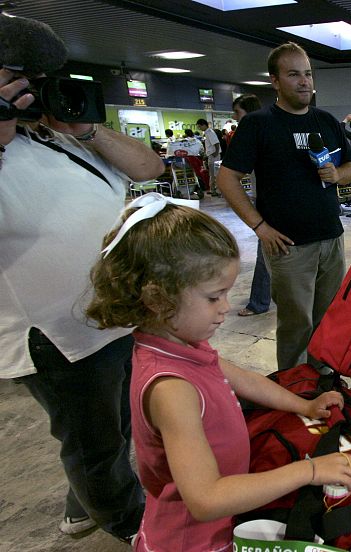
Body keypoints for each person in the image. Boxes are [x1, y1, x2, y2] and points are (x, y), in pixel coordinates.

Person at [85, 195, 351, 551]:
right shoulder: (172, 388)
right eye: (214, 297)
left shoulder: (182, 344)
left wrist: (303, 406)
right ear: (157, 299)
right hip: (195, 541)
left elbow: (240, 379)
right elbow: (206, 499)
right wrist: (310, 471)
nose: (226, 308)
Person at [0, 14, 165, 542]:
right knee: (93, 441)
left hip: (112, 316)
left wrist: (85, 128)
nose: (28, 97)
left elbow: (149, 168)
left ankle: (83, 505)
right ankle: (127, 522)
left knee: (114, 425)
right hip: (56, 337)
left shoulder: (57, 141)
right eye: (13, 82)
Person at [217, 42, 351, 371]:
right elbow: (227, 179)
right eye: (293, 74)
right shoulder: (259, 124)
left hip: (331, 238)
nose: (304, 81)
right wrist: (259, 227)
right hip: (289, 246)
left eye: (307, 74)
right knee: (297, 324)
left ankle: (323, 379)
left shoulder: (327, 121)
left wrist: (337, 174)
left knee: (328, 320)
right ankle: (295, 385)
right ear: (275, 81)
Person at [229, 94, 271, 317]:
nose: (235, 117)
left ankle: (259, 302)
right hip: (271, 199)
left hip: (269, 201)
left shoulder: (253, 129)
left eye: (237, 113)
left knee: (266, 251)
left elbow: (230, 176)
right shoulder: (268, 128)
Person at [197, 118, 221, 196]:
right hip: (211, 155)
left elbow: (216, 143)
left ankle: (217, 191)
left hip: (214, 155)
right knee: (211, 173)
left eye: (199, 127)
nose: (199, 128)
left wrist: (216, 153)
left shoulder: (210, 132)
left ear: (204, 125)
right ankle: (212, 189)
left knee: (215, 173)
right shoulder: (207, 133)